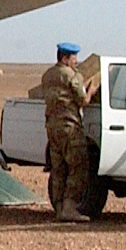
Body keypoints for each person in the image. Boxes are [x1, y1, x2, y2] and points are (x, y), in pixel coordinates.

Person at [28, 42, 101, 222]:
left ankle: (59, 208)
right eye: (74, 58)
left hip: (52, 127)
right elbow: (82, 100)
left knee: (58, 169)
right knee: (78, 166)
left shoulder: (48, 75)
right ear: (65, 58)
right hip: (69, 126)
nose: (76, 62)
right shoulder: (72, 76)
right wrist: (91, 91)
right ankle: (70, 207)